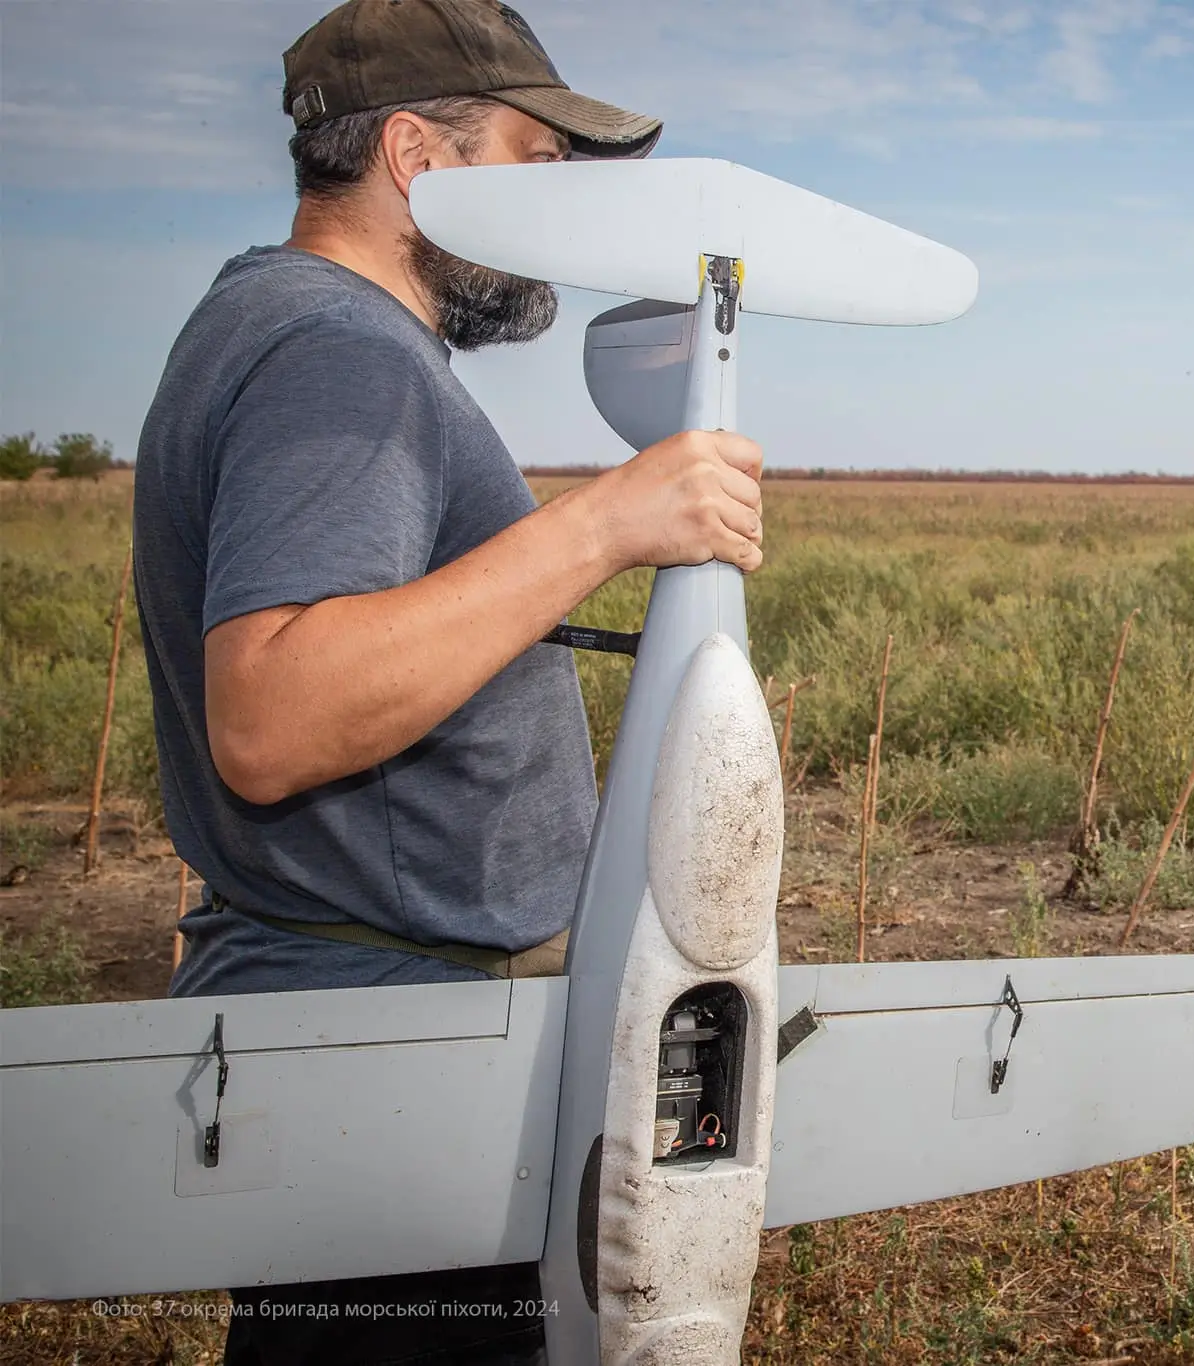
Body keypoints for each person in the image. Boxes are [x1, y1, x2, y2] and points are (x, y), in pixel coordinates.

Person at [131, 2, 764, 1359]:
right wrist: (605, 524)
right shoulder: (338, 352)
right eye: (533, 163)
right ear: (416, 156)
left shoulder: (290, 325)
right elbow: (272, 711)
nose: (556, 210)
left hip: (371, 1027)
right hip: (388, 1060)